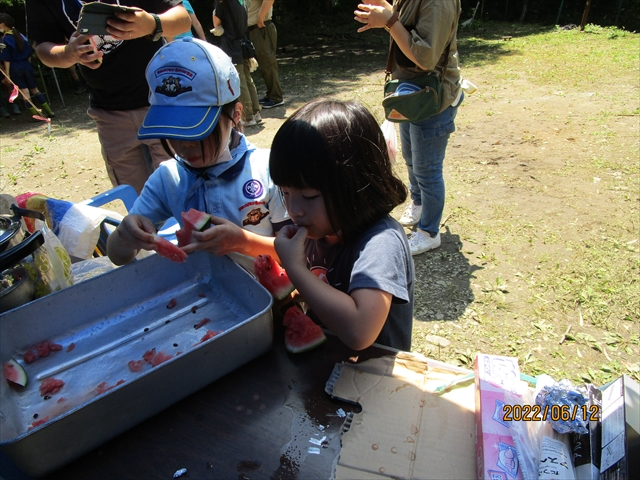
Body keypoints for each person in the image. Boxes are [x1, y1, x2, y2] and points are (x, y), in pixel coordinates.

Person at [107, 39, 290, 266]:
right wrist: (125, 236)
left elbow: (299, 253)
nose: (185, 145)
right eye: (173, 132)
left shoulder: (269, 169)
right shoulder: (167, 178)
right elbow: (117, 256)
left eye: (197, 132)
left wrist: (242, 242)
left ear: (236, 114)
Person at [270, 99, 414, 351]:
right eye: (285, 193)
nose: (294, 210)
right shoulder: (324, 228)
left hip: (373, 381)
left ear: (355, 184)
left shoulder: (381, 242)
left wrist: (295, 268)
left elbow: (360, 331)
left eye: (310, 196)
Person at [25, 0, 191, 194]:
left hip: (163, 102)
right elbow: (43, 46)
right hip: (109, 113)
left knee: (185, 192)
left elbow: (183, 19)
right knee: (137, 203)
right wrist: (68, 54)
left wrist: (153, 23)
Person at [355, 0, 463, 255]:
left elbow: (425, 58)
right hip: (412, 94)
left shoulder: (438, 3)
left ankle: (429, 232)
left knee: (428, 170)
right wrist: (387, 12)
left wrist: (389, 21)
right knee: (411, 160)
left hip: (432, 99)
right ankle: (419, 203)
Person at [213, 0, 262, 127]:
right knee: (247, 78)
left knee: (240, 80)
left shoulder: (222, 2)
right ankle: (256, 112)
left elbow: (216, 23)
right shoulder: (242, 1)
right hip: (243, 43)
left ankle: (248, 116)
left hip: (231, 45)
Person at [0, 13, 55, 118]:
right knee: (35, 89)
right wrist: (27, 64)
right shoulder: (20, 36)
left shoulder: (4, 39)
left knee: (25, 92)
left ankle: (36, 115)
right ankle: (49, 111)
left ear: (3, 25)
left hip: (15, 67)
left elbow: (6, 59)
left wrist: (7, 74)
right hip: (26, 64)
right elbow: (29, 52)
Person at [247, 0, 283, 109]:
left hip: (261, 28)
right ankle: (271, 94)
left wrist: (260, 16)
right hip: (254, 30)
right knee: (264, 64)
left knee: (268, 64)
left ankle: (276, 98)